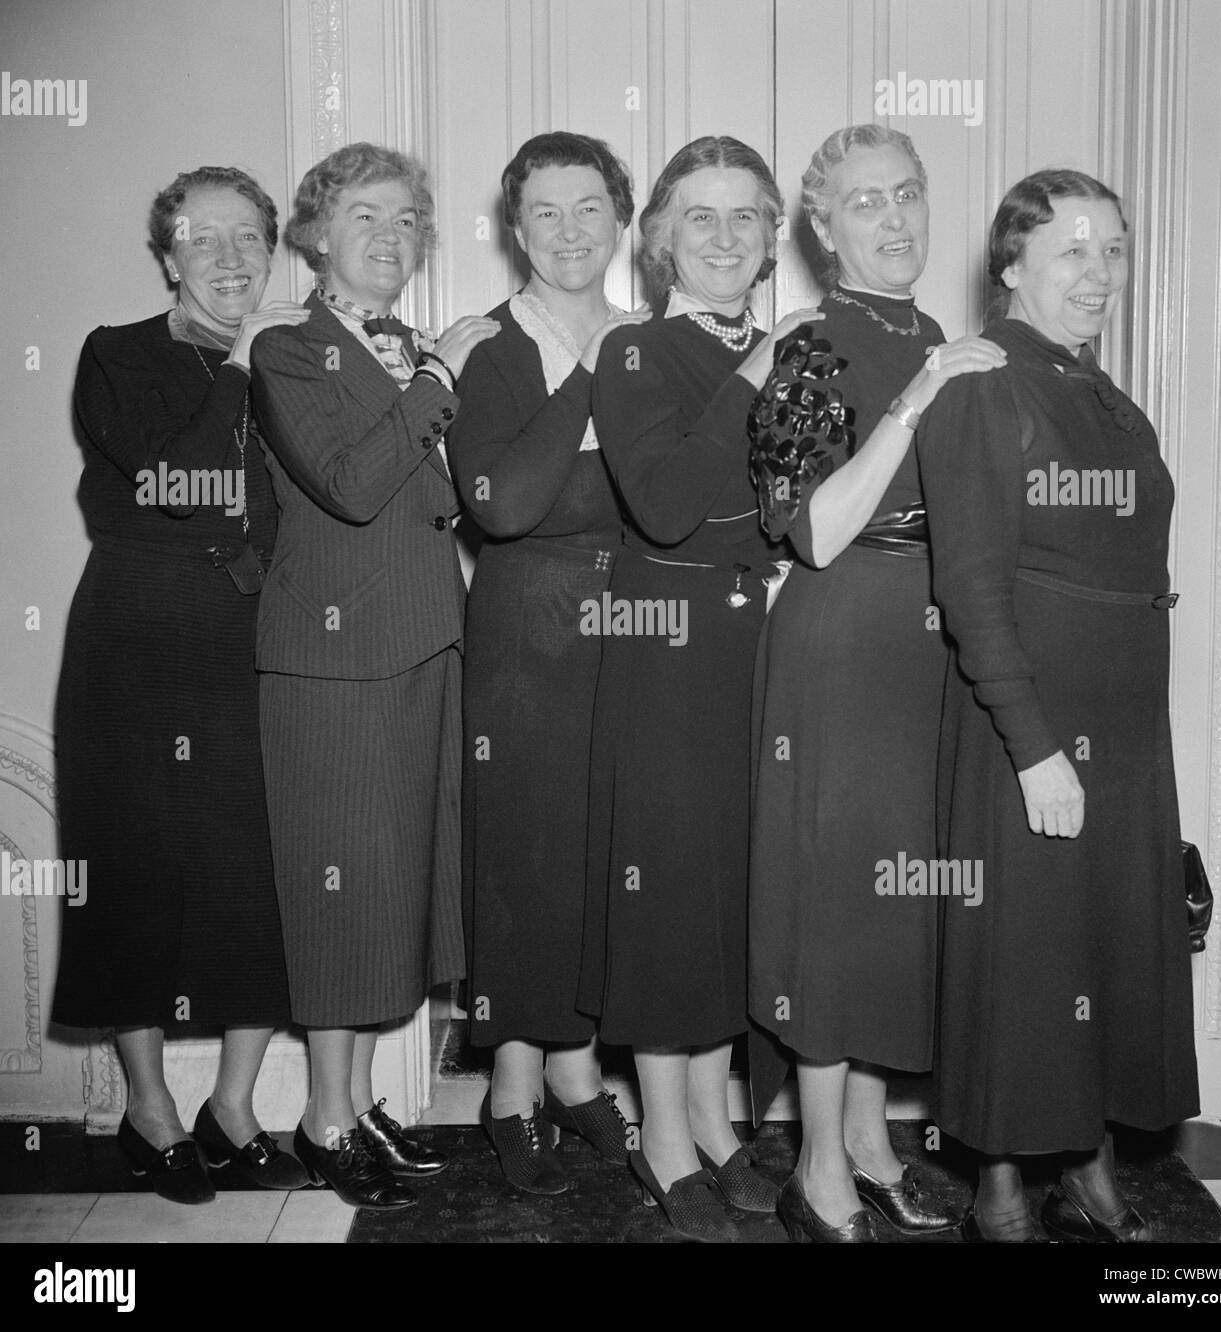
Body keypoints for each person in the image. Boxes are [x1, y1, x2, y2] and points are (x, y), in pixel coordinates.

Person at [916, 168, 1199, 1242]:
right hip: (1025, 723)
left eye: (1112, 249)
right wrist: (1032, 747)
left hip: (1125, 723)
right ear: (1012, 265)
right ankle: (996, 1184)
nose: (1098, 274)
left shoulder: (1100, 389)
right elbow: (970, 588)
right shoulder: (987, 383)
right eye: (1073, 251)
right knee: (1023, 950)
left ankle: (1084, 1159)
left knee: (1105, 944)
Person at [748, 125, 1005, 1243]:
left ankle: (863, 1136)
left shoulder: (937, 333)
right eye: (864, 203)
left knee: (897, 900)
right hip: (843, 633)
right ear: (822, 229)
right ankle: (815, 1169)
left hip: (928, 643)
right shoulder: (809, 345)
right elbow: (809, 531)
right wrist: (917, 399)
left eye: (906, 195)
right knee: (836, 904)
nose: (893, 219)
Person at [51, 166, 311, 1203]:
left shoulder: (291, 359)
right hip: (137, 634)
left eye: (251, 236)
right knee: (131, 868)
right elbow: (173, 487)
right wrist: (244, 364)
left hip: (254, 635)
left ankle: (233, 1104)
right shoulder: (118, 356)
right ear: (168, 255)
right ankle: (151, 1111)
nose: (234, 257)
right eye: (206, 239)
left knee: (263, 870)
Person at [250, 142, 500, 1209]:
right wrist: (441, 376)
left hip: (419, 643)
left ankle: (351, 1107)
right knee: (338, 898)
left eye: (405, 221)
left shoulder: (399, 349)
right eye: (364, 218)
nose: (389, 238)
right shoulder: (287, 351)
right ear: (314, 235)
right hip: (332, 661)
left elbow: (451, 497)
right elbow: (352, 486)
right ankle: (321, 1117)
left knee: (389, 893)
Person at [580, 136, 816, 1242]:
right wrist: (758, 377)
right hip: (665, 642)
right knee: (668, 889)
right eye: (700, 218)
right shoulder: (634, 353)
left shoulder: (793, 352)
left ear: (774, 239)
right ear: (661, 240)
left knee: (732, 887)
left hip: (757, 642)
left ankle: (719, 1123)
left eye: (746, 218)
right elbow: (669, 505)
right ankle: (662, 1138)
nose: (725, 239)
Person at [450, 132, 650, 1193]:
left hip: (636, 625)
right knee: (526, 854)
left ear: (620, 220)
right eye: (544, 214)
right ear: (514, 229)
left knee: (600, 855)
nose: (568, 232)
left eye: (588, 209)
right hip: (529, 628)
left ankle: (575, 1068)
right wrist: (593, 377)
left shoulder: (654, 339)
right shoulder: (490, 346)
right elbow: (510, 503)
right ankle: (512, 1083)